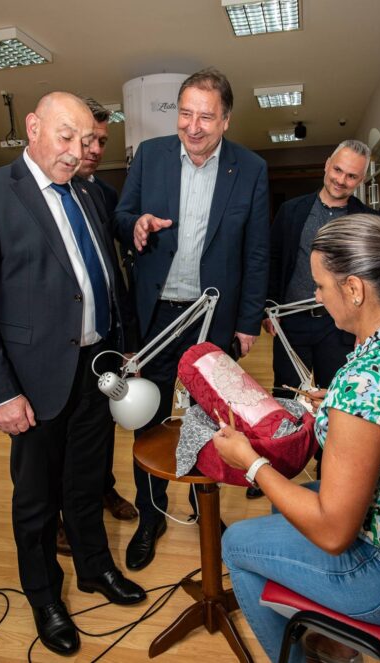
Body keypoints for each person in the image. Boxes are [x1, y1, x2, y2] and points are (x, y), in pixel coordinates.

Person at [0, 92, 146, 657]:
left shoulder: (88, 193)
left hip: (96, 368)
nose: (76, 151)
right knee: (37, 501)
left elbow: (104, 277)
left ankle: (94, 568)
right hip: (33, 381)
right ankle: (45, 596)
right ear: (33, 127)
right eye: (65, 136)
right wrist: (0, 394)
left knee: (86, 482)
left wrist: (123, 345)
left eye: (85, 140)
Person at [213, 214, 380, 663]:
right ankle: (333, 636)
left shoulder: (363, 384)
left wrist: (251, 463)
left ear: (354, 289)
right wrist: (339, 414)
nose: (317, 296)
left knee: (236, 543)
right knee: (288, 503)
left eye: (320, 286)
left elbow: (334, 532)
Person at [116, 68, 269, 571]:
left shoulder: (250, 168)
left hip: (215, 317)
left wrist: (247, 321)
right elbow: (121, 216)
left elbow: (257, 252)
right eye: (185, 114)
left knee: (210, 420)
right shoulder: (150, 155)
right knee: (149, 417)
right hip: (157, 316)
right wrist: (136, 224)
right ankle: (151, 514)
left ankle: (205, 508)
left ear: (226, 120)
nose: (193, 126)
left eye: (206, 116)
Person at [248, 140, 372, 499]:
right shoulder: (292, 211)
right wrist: (268, 307)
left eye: (351, 176)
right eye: (338, 170)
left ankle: (328, 473)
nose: (341, 180)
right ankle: (274, 470)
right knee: (286, 398)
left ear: (361, 180)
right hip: (291, 322)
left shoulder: (365, 220)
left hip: (340, 327)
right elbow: (273, 260)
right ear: (327, 164)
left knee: (337, 401)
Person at [57, 97, 136, 557]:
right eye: (87, 139)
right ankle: (60, 517)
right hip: (59, 344)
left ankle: (102, 488)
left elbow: (112, 271)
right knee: (58, 439)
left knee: (100, 424)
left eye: (101, 141)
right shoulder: (43, 193)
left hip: (101, 337)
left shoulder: (103, 194)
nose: (94, 150)